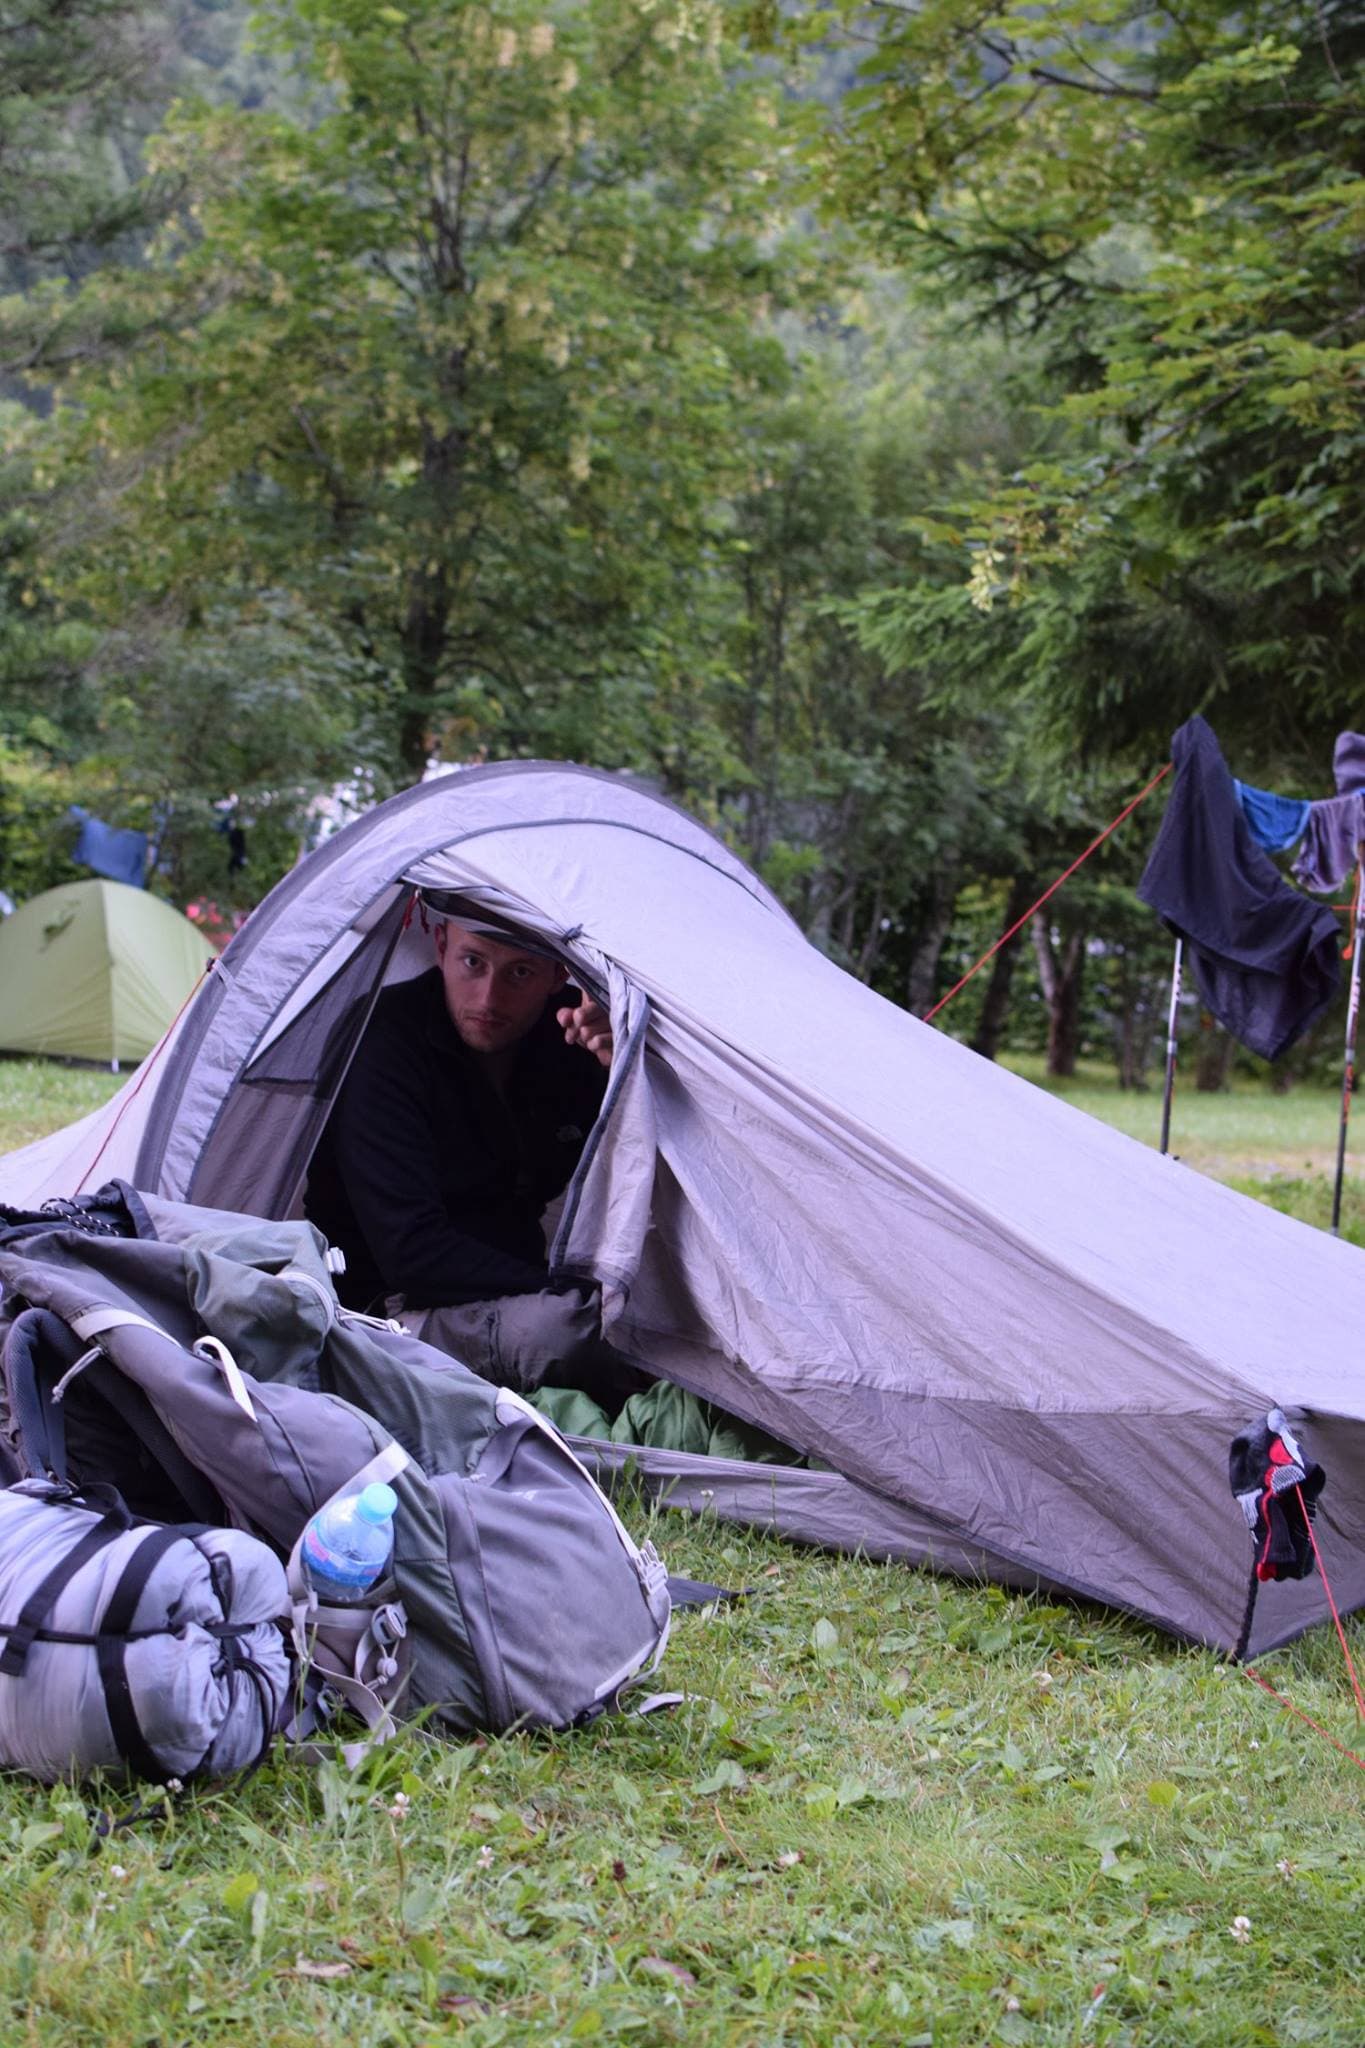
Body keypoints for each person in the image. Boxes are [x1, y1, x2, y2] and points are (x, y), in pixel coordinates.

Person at [305, 901, 647, 1408]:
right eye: (473, 963)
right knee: (569, 1332)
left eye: (520, 972)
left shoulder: (568, 1040)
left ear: (558, 976)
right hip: (390, 1311)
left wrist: (621, 1067)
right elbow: (412, 1254)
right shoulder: (383, 1041)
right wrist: (563, 1289)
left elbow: (638, 1184)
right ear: (441, 948)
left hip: (517, 1291)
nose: (489, 996)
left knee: (651, 1315)